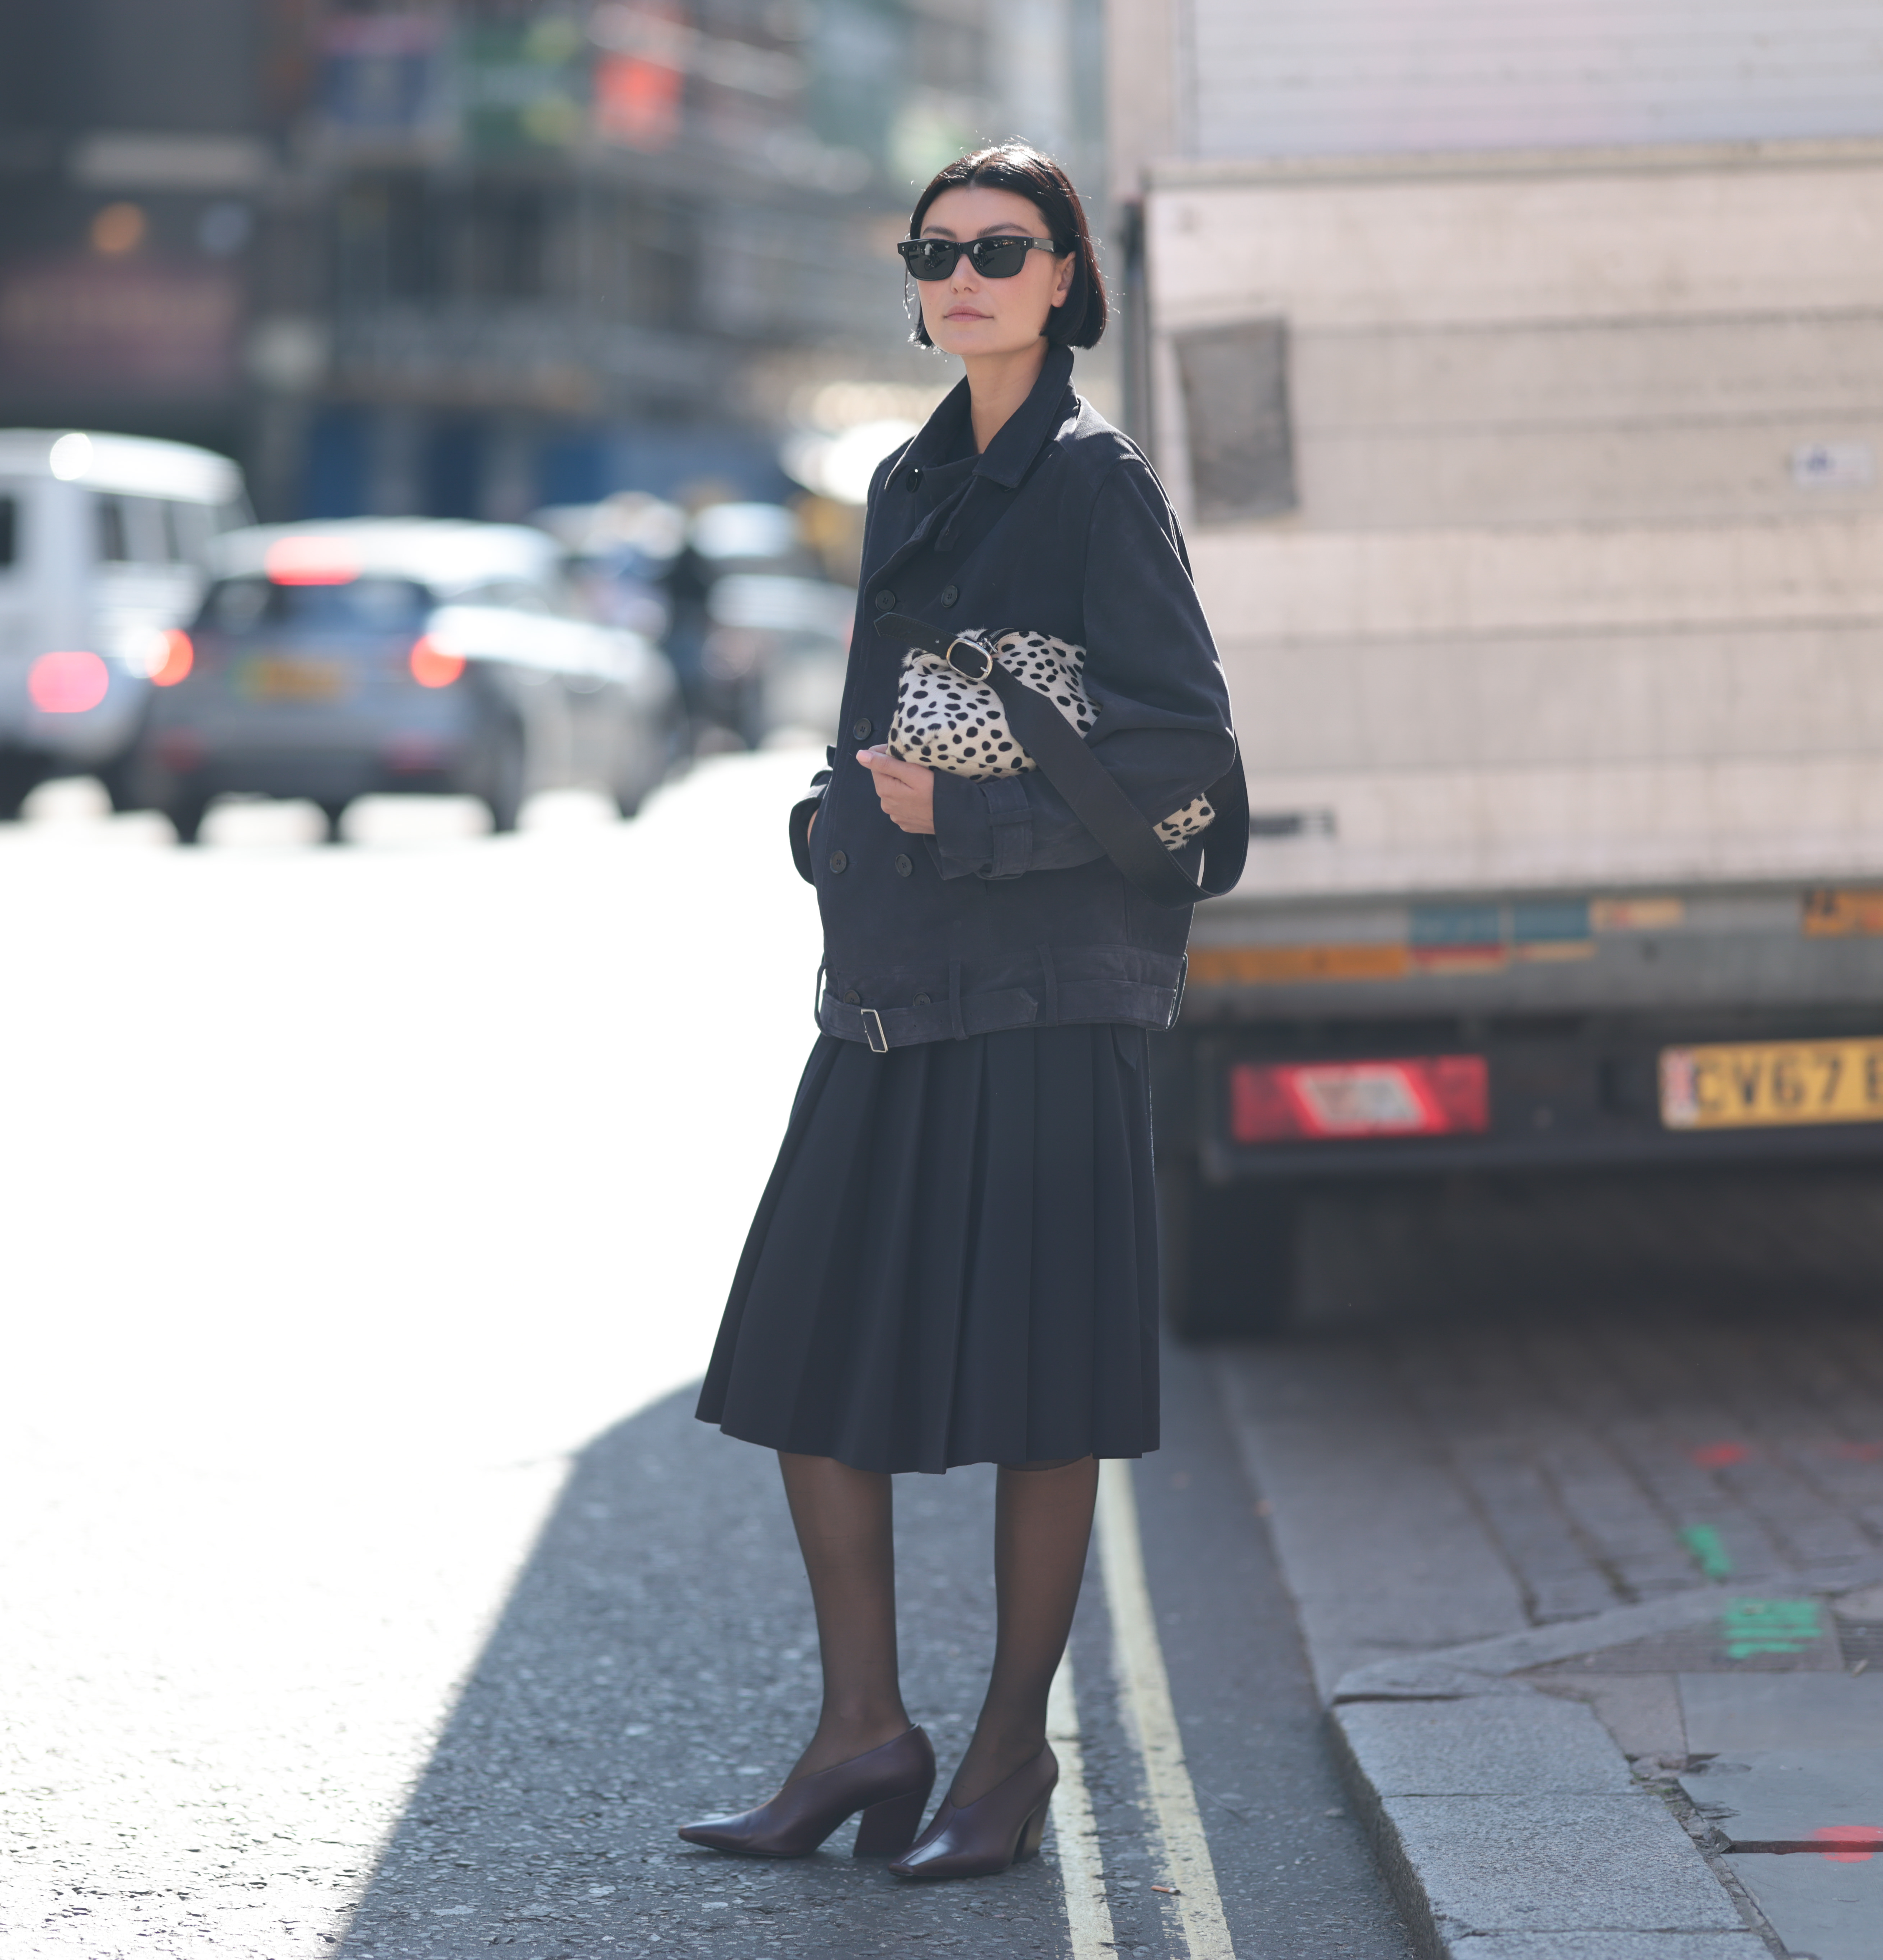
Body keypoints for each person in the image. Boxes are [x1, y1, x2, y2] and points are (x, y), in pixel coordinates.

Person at [681, 145, 1236, 1881]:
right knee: (802, 1358)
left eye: (1005, 249)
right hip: (894, 987)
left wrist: (967, 819)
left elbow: (1191, 771)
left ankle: (1005, 1761)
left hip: (1059, 996)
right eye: (939, 253)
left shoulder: (1096, 488)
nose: (968, 275)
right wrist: (841, 828)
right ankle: (865, 1729)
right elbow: (880, 718)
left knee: (1038, 1393)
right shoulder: (910, 480)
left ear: (1069, 276)